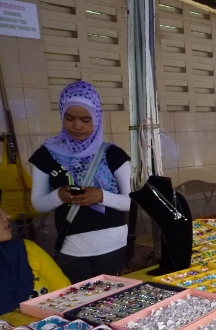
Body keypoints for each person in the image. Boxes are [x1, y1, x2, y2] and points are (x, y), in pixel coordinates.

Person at [29, 81, 132, 284]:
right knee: (77, 300)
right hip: (73, 249)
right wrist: (59, 195)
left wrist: (101, 196)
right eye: (70, 118)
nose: (77, 126)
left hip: (114, 246)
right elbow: (38, 203)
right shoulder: (46, 155)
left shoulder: (113, 155)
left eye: (86, 119)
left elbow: (132, 201)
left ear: (97, 118)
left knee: (114, 299)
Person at [0, 202, 70, 317]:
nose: (7, 216)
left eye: (3, 210)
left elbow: (66, 293)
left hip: (55, 326)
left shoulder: (26, 249)